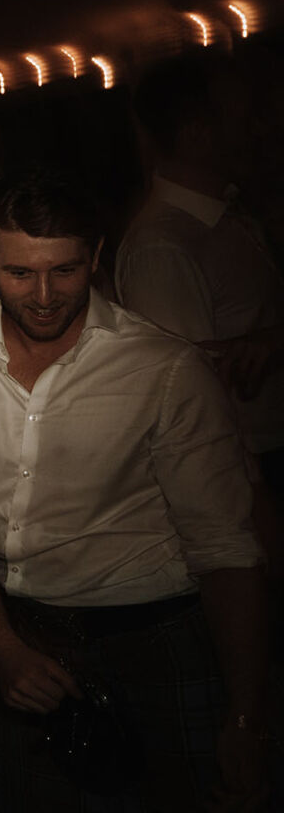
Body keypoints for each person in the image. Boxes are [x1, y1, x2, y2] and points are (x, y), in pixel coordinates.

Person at [0, 167, 274, 813]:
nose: (44, 295)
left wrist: (247, 711)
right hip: (32, 638)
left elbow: (226, 549)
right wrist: (1, 648)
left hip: (160, 637)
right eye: (20, 273)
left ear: (98, 256)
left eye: (64, 270)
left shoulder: (161, 369)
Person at [118, 48, 284, 489]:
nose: (260, 130)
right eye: (244, 120)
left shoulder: (225, 215)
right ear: (198, 134)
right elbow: (187, 402)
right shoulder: (162, 245)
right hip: (253, 470)